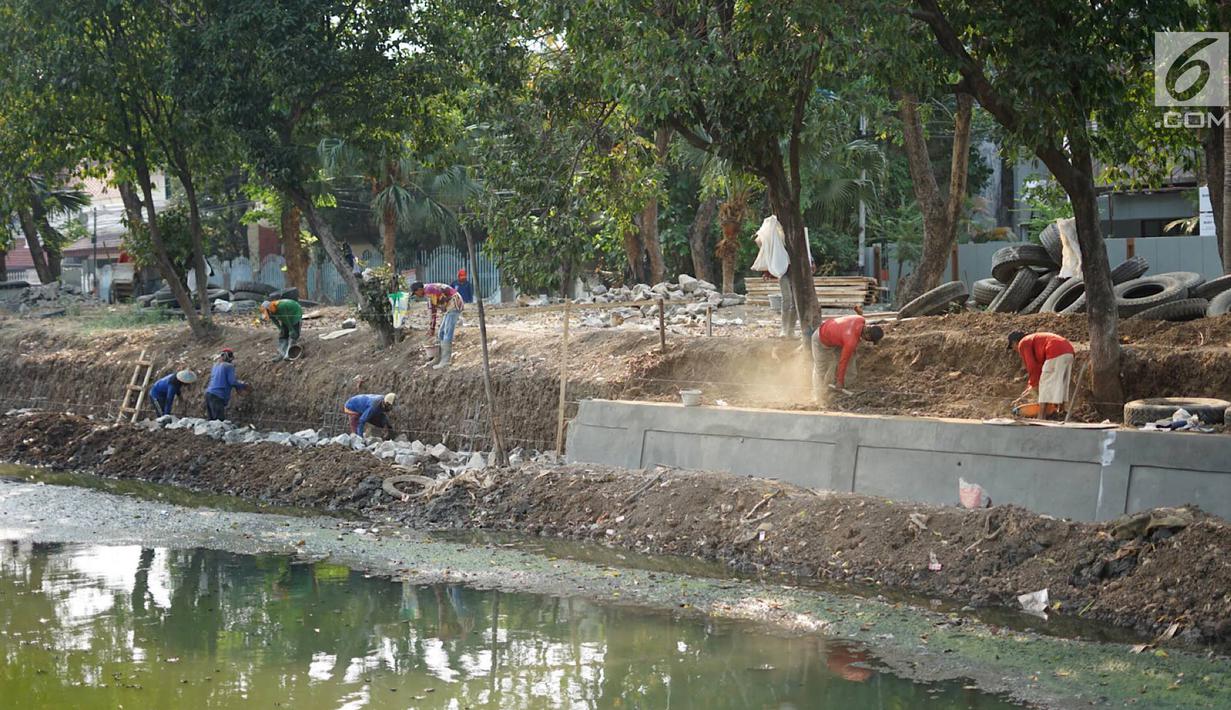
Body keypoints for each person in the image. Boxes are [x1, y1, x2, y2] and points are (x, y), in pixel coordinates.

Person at [812, 314, 883, 400]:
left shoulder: (860, 319)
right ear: (867, 335)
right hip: (821, 339)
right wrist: (840, 382)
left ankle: (847, 384)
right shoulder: (850, 341)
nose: (868, 341)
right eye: (870, 340)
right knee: (821, 369)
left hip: (836, 336)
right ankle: (818, 396)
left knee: (851, 356)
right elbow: (843, 362)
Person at [1008, 330, 1074, 419]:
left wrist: (1034, 385)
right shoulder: (1034, 340)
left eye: (1012, 347)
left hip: (1055, 351)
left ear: (1015, 342)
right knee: (1061, 383)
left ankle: (1041, 416)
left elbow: (1032, 367)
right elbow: (1040, 368)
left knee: (1044, 385)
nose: (1015, 350)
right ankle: (1061, 412)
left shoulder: (1023, 343)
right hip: (1068, 351)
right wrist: (1030, 386)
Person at [410, 281, 463, 370]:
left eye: (415, 293)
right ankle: (439, 358)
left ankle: (446, 360)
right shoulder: (428, 291)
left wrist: (432, 328)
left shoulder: (429, 290)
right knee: (441, 333)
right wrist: (432, 328)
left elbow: (433, 310)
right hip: (449, 306)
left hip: (454, 304)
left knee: (447, 332)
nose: (416, 295)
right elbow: (433, 309)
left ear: (419, 289)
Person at [204, 348, 250, 421]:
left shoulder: (215, 365)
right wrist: (243, 385)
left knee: (211, 421)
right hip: (218, 395)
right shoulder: (228, 366)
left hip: (208, 394)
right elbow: (232, 381)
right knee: (219, 421)